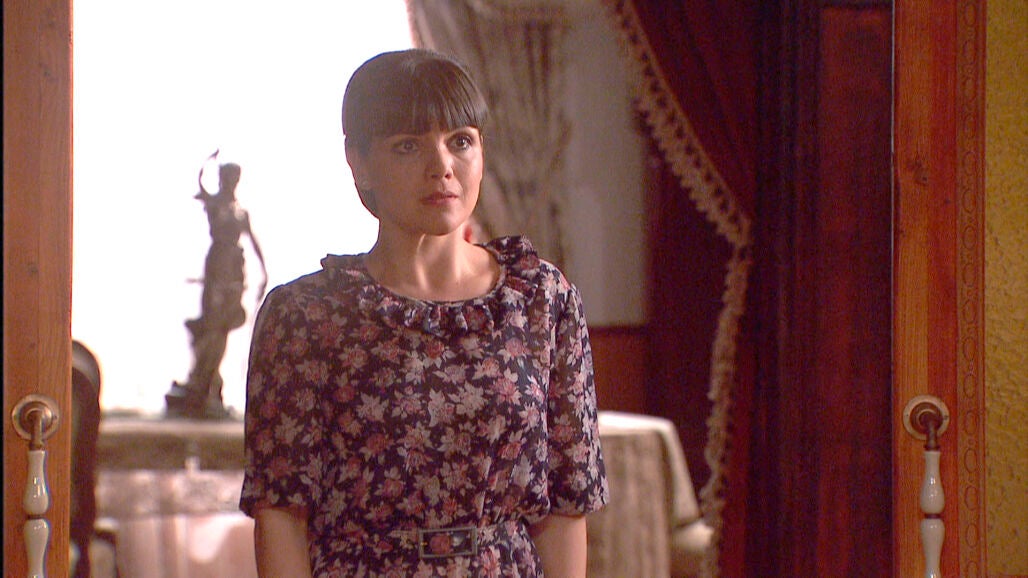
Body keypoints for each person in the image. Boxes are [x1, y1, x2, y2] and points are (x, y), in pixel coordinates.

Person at [240, 48, 608, 577]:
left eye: (461, 141)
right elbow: (280, 514)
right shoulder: (305, 315)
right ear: (359, 162)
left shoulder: (541, 299)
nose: (442, 168)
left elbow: (567, 504)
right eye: (408, 146)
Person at [166, 155, 268, 419]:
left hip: (235, 270)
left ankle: (209, 383)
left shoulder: (240, 211)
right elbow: (200, 185)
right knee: (211, 326)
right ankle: (201, 382)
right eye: (227, 177)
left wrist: (263, 270)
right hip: (217, 268)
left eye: (235, 178)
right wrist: (207, 162)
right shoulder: (215, 204)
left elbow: (253, 240)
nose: (231, 182)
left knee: (223, 327)